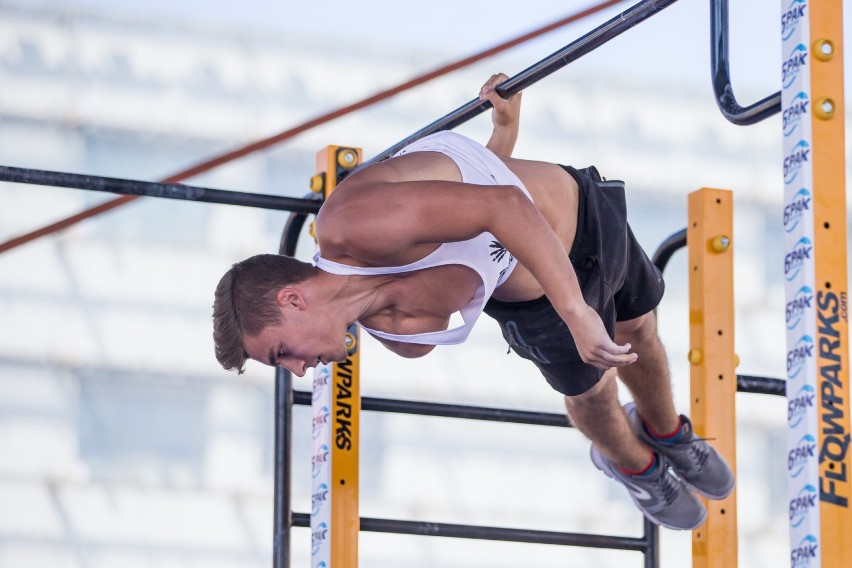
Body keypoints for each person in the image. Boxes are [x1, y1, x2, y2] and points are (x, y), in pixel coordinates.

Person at [212, 74, 734, 530]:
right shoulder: (404, 334)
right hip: (539, 303)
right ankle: (635, 466)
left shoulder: (352, 225)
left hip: (585, 216)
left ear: (292, 299)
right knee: (595, 390)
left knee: (640, 331)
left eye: (282, 352)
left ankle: (668, 433)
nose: (299, 371)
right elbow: (456, 209)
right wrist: (568, 309)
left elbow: (502, 202)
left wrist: (578, 310)